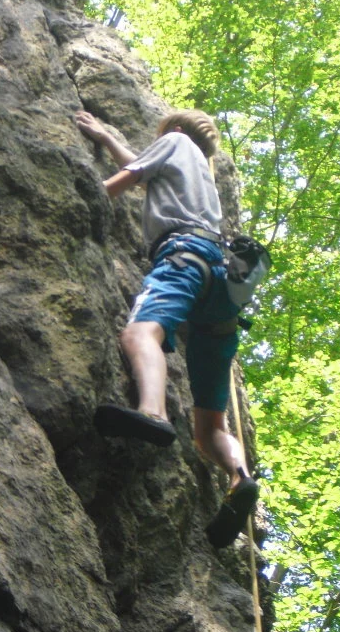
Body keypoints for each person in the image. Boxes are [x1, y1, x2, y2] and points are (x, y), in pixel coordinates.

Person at [76, 108, 258, 548]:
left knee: (141, 333)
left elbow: (134, 173)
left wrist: (89, 194)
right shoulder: (202, 177)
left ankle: (152, 413)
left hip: (183, 258)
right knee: (209, 426)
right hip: (221, 284)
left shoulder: (174, 140)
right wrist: (105, 137)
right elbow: (141, 164)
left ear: (174, 131)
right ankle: (240, 477)